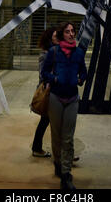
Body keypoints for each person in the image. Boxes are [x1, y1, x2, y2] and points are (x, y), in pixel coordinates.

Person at [41, 21, 87, 191]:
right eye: (68, 31)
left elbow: (84, 71)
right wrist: (53, 79)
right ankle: (58, 163)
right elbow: (44, 72)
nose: (71, 34)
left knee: (68, 138)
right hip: (56, 98)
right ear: (62, 35)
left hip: (72, 98)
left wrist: (81, 79)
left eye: (73, 31)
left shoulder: (79, 53)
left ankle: (66, 175)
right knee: (56, 136)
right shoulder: (53, 52)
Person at [32, 27, 59, 157]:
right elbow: (43, 75)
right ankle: (63, 153)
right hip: (49, 91)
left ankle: (37, 148)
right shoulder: (46, 54)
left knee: (46, 121)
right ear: (50, 38)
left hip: (55, 91)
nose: (58, 37)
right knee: (50, 122)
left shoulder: (56, 51)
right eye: (55, 36)